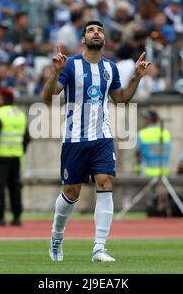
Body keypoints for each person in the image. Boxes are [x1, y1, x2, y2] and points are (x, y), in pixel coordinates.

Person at [42, 20, 151, 262]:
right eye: (91, 30)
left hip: (102, 137)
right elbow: (47, 98)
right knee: (71, 192)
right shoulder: (70, 65)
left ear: (104, 39)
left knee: (105, 182)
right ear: (83, 39)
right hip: (74, 138)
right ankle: (56, 237)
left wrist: (137, 77)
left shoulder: (109, 67)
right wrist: (56, 73)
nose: (96, 33)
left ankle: (99, 248)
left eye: (99, 30)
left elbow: (121, 99)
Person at [0, 87, 30, 227]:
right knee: (15, 187)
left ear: (3, 99)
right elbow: (26, 138)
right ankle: (17, 217)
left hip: (0, 157)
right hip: (16, 157)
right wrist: (20, 151)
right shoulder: (20, 114)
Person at [136, 110, 172, 177]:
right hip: (164, 172)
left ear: (148, 120)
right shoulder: (166, 133)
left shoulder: (142, 133)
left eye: (145, 119)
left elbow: (137, 153)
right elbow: (168, 150)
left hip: (147, 172)